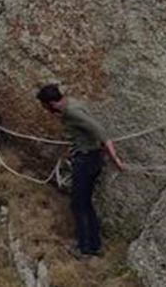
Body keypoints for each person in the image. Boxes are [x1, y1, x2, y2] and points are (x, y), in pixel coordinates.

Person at [36, 84, 124, 258]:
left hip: (85, 161)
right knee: (85, 203)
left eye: (45, 107)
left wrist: (115, 159)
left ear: (52, 103)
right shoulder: (74, 103)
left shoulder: (71, 113)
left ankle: (85, 248)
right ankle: (94, 245)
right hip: (91, 157)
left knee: (79, 205)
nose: (46, 111)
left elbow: (99, 131)